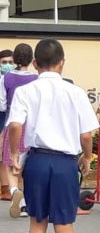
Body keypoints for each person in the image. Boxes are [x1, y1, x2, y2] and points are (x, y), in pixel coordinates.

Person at [7, 39, 99, 232]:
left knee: (37, 222)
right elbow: (86, 135)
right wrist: (88, 157)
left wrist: (14, 154)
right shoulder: (76, 92)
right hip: (65, 163)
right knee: (64, 221)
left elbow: (15, 125)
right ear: (62, 62)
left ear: (35, 63)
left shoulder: (25, 91)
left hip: (37, 161)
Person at [0, 43, 38, 218]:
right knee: (26, 168)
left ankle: (15, 191)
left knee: (10, 163)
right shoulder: (37, 79)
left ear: (14, 59)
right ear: (32, 60)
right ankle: (25, 204)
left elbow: (2, 104)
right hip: (31, 128)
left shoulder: (5, 78)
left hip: (13, 124)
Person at [0, 49, 13, 201]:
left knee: (8, 154)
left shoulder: (14, 78)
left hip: (10, 117)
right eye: (4, 62)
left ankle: (9, 188)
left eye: (10, 62)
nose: (7, 65)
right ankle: (4, 188)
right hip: (1, 115)